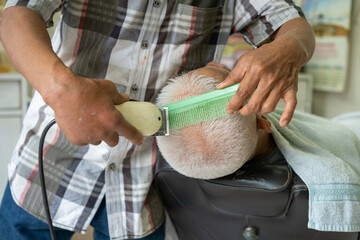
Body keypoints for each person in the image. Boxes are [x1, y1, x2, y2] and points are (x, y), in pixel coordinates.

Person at [0, 1, 315, 239]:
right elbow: (16, 14)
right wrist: (61, 89)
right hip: (49, 166)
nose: (213, 63)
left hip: (144, 181)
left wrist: (291, 47)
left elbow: (291, 24)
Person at [155, 62, 360, 233]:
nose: (213, 62)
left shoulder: (167, 177)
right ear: (262, 120)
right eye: (228, 75)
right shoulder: (337, 163)